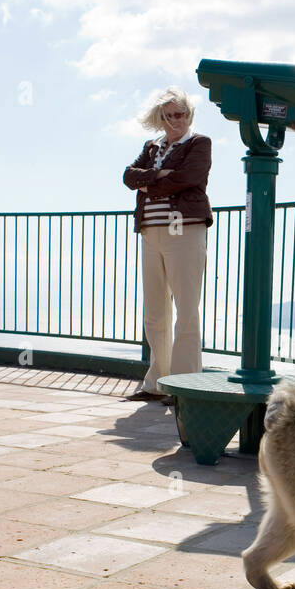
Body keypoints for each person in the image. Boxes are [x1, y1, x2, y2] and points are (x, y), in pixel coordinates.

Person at [122, 87, 213, 403]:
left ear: (190, 115)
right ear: (161, 118)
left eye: (182, 113)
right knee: (155, 312)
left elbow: (188, 176)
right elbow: (128, 176)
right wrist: (159, 173)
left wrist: (151, 183)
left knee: (186, 310)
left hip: (184, 229)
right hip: (151, 231)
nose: (176, 120)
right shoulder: (152, 147)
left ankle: (185, 385)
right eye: (170, 114)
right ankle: (157, 382)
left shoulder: (199, 143)